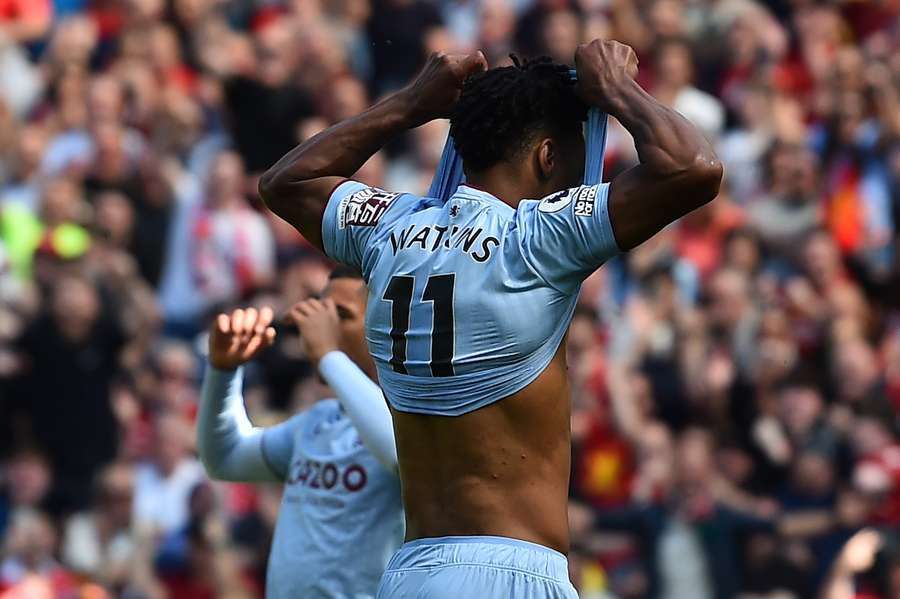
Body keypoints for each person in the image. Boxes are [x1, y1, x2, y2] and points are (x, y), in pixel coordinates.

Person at [259, 39, 722, 597]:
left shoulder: (391, 231)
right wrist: (619, 90)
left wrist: (410, 103)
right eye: (577, 158)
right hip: (510, 572)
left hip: (410, 574)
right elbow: (694, 167)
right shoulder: (538, 239)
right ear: (547, 158)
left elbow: (285, 183)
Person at [196, 267, 401, 599]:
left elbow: (397, 452)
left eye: (342, 315)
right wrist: (224, 371)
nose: (320, 328)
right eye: (320, 312)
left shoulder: (418, 423)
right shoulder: (320, 420)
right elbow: (226, 458)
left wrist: (329, 355)